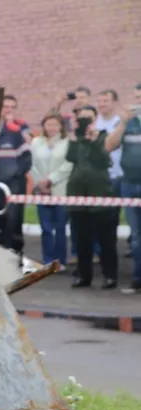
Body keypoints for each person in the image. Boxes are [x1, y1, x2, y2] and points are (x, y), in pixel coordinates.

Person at [66, 105, 119, 289]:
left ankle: (110, 275)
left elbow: (105, 160)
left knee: (106, 239)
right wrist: (73, 137)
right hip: (78, 194)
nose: (85, 122)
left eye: (89, 118)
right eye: (82, 118)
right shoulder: (76, 139)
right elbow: (70, 158)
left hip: (100, 193)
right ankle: (83, 275)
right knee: (82, 239)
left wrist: (94, 139)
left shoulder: (103, 137)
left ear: (95, 120)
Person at [105, 84, 141, 292]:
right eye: (136, 98)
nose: (138, 102)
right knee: (136, 237)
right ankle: (138, 278)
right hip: (130, 184)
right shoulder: (128, 123)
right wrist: (122, 123)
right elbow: (109, 146)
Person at [30, 112, 72, 270]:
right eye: (49, 124)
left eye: (55, 124)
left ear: (61, 127)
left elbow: (68, 166)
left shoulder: (67, 143)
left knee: (60, 227)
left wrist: (51, 179)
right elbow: (32, 164)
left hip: (60, 190)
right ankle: (47, 260)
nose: (52, 128)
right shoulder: (36, 142)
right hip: (42, 191)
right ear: (44, 126)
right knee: (46, 228)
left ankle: (60, 260)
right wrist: (40, 182)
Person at [0, 94, 32, 255]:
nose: (9, 110)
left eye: (12, 107)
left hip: (13, 185)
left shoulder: (17, 131)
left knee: (13, 220)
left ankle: (14, 253)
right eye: (5, 106)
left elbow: (27, 159)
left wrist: (15, 175)